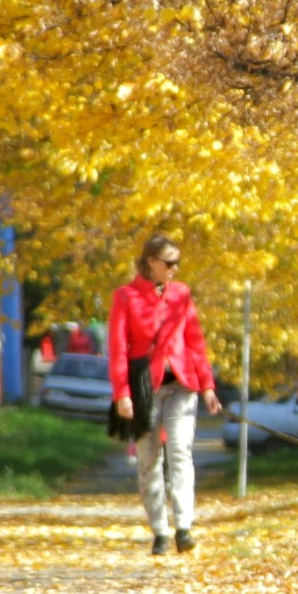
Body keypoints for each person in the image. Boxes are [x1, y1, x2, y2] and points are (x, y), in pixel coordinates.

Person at [110, 235, 225, 554]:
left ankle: (184, 527)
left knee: (180, 451)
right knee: (149, 459)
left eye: (177, 263)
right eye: (169, 263)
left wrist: (208, 386)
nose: (175, 269)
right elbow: (118, 348)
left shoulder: (181, 294)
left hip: (182, 387)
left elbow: (195, 341)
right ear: (151, 262)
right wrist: (122, 393)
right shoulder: (126, 296)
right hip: (145, 389)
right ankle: (160, 531)